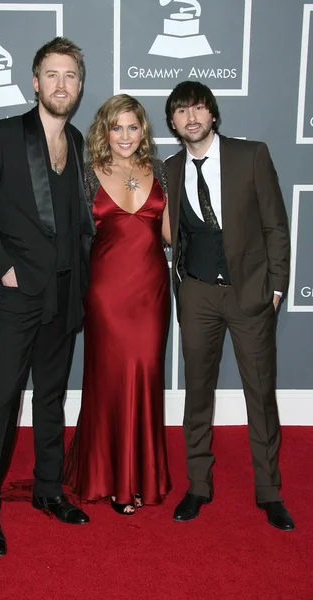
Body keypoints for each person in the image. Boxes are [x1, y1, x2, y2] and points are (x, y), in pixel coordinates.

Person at [0, 37, 96, 558]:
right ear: (35, 82)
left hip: (63, 295)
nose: (62, 84)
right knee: (4, 401)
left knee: (53, 398)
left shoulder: (79, 141)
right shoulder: (2, 137)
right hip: (18, 297)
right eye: (52, 75)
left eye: (71, 76)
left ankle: (48, 490)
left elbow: (78, 223)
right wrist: (2, 266)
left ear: (80, 86)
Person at [165, 80, 294, 530]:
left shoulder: (250, 154)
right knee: (197, 394)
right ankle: (198, 484)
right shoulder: (169, 169)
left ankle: (269, 491)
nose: (191, 117)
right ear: (174, 122)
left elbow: (276, 224)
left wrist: (277, 286)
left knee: (260, 393)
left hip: (250, 292)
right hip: (197, 293)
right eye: (181, 111)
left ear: (213, 115)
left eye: (199, 108)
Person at [65, 94, 172, 515]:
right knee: (109, 380)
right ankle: (111, 480)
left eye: (132, 127)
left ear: (142, 130)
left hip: (151, 293)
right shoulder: (88, 173)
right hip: (107, 293)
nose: (125, 136)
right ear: (104, 131)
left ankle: (141, 476)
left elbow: (170, 234)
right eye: (116, 127)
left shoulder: (160, 170)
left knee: (145, 375)